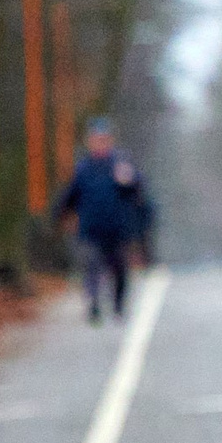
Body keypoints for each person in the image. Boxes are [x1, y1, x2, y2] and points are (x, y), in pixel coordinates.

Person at [57, 118, 150, 324]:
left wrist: (129, 182)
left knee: (119, 268)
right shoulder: (83, 168)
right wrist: (62, 213)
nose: (100, 143)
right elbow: (71, 195)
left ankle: (118, 305)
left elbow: (138, 192)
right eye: (96, 139)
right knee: (91, 265)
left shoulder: (122, 163)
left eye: (104, 139)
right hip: (91, 227)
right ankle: (94, 305)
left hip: (117, 228)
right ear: (90, 141)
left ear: (110, 140)